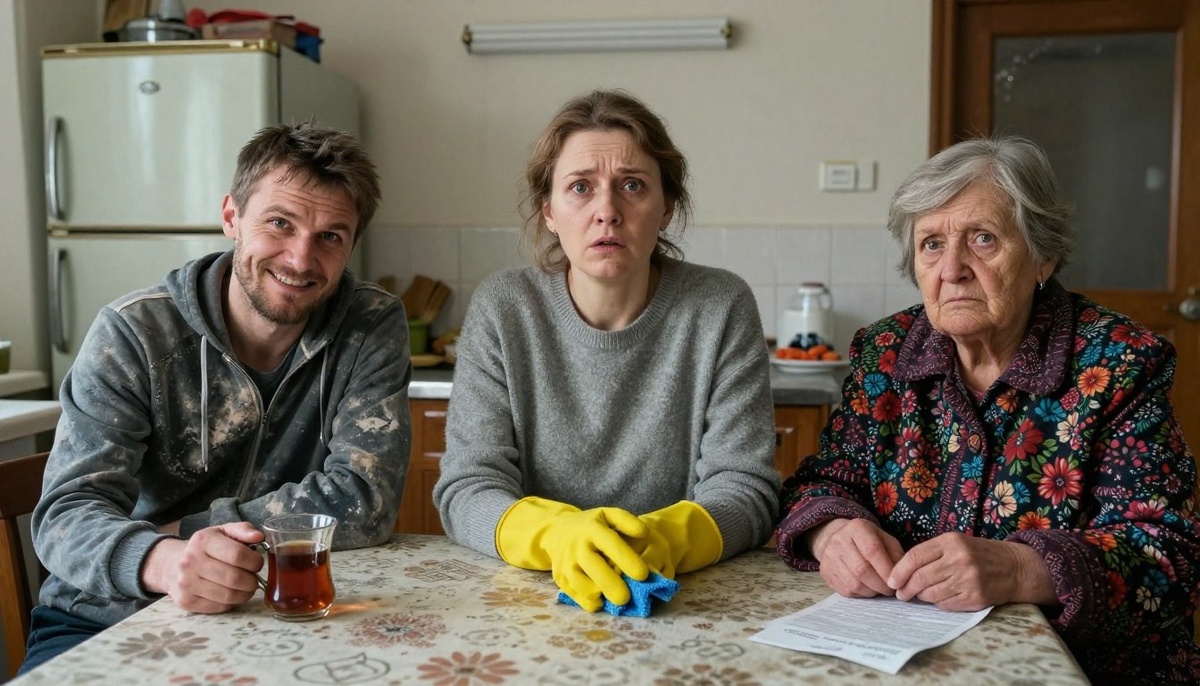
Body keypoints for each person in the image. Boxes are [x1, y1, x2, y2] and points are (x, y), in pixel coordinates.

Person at [775, 135, 1200, 684]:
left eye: (982, 239)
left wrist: (1021, 569)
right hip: (902, 662)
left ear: (1043, 256)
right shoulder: (885, 352)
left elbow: (1170, 555)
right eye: (931, 244)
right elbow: (821, 483)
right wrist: (832, 532)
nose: (952, 268)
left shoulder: (1117, 362)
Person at [23, 122, 412, 672]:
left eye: (330, 236)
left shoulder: (369, 324)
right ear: (232, 216)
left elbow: (365, 501)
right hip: (106, 614)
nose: (300, 260)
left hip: (275, 615)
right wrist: (163, 558)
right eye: (280, 223)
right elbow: (65, 517)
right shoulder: (134, 333)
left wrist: (186, 530)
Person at [433, 90, 779, 612]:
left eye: (632, 185)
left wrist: (664, 539)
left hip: (678, 595)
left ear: (667, 208)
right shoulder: (504, 307)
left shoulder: (720, 304)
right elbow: (467, 488)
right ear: (549, 212)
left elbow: (747, 488)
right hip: (534, 598)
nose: (607, 212)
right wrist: (556, 537)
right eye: (580, 188)